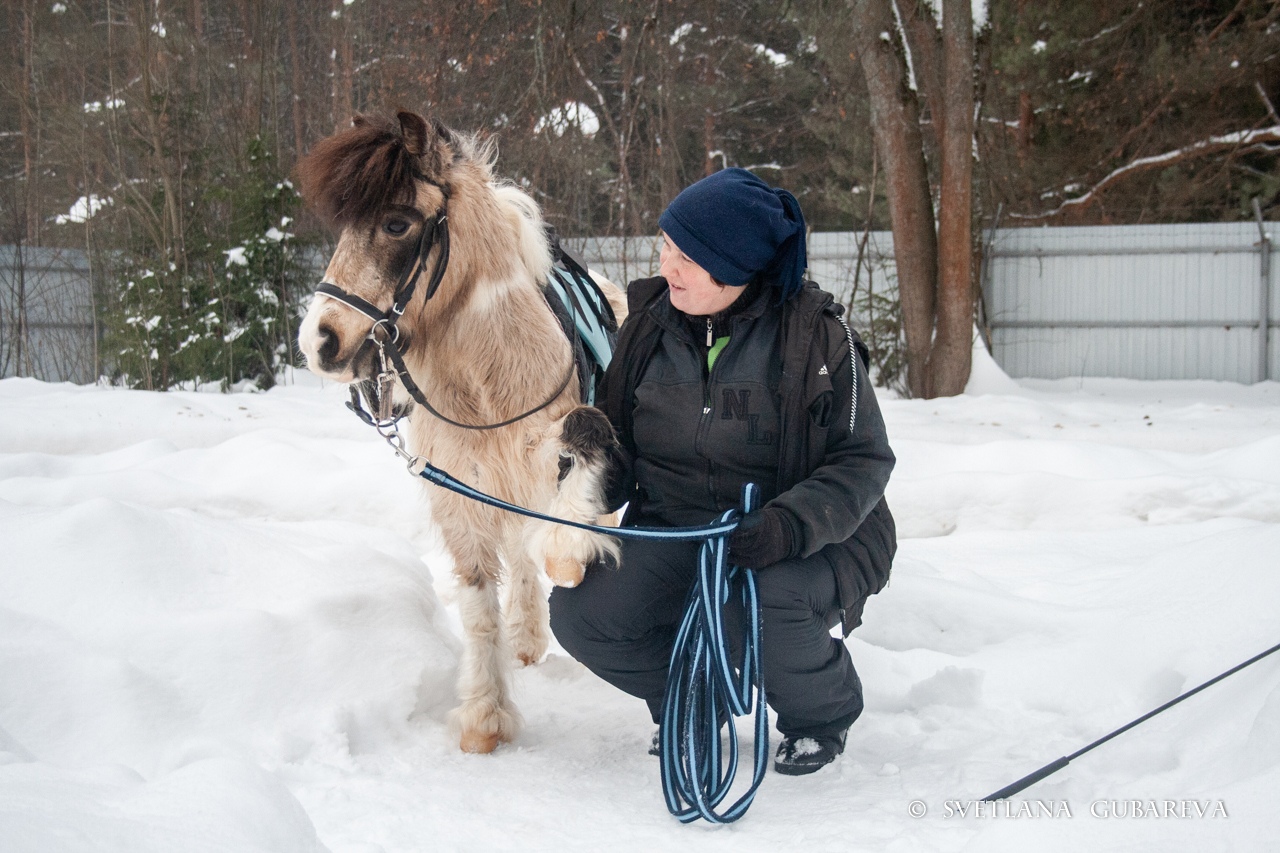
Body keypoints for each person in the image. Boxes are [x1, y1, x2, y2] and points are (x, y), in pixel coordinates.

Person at [549, 168, 897, 775]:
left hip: (812, 533)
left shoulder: (817, 338)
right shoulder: (645, 330)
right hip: (680, 527)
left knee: (757, 601)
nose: (668, 267)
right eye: (666, 248)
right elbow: (621, 457)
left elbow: (864, 460)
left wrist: (788, 526)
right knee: (582, 615)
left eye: (688, 256)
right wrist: (586, 467)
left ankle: (821, 716)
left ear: (736, 264)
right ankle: (689, 698)